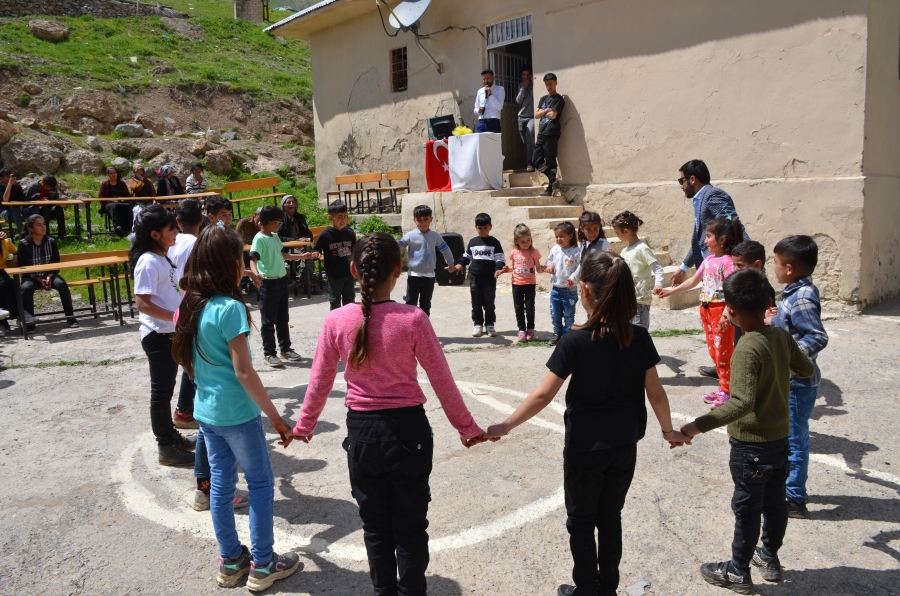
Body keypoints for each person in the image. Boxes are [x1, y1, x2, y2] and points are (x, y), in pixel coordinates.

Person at [291, 232, 488, 596]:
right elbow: (442, 380)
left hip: (363, 435)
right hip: (408, 432)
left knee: (376, 528)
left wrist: (304, 425)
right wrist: (467, 427)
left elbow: (318, 381)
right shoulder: (412, 319)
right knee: (411, 527)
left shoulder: (336, 320)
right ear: (400, 270)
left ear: (352, 270)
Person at [484, 250, 690, 596]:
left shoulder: (575, 341)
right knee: (610, 516)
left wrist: (505, 425)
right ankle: (606, 588)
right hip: (624, 445)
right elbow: (656, 394)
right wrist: (669, 430)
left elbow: (543, 395)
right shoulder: (638, 337)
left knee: (581, 520)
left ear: (584, 291)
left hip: (585, 449)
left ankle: (587, 590)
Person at [171, 225, 300, 591]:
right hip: (239, 416)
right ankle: (262, 564)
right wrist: (275, 417)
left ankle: (231, 560)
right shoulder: (229, 308)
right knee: (259, 485)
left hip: (207, 412)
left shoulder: (189, 304)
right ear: (228, 262)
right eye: (241, 258)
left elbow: (185, 358)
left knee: (221, 486)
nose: (245, 264)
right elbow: (244, 371)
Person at [679, 268, 814, 594]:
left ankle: (738, 570)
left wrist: (694, 427)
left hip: (750, 446)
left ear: (732, 311)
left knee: (747, 506)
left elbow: (740, 403)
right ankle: (769, 556)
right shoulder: (780, 336)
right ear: (769, 303)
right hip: (780, 440)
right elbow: (806, 369)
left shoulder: (747, 348)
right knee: (775, 502)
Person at [131, 205, 196, 468]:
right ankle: (166, 446)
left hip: (170, 332)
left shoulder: (162, 258)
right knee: (161, 393)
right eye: (171, 229)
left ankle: (171, 435)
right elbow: (142, 303)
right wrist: (175, 318)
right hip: (158, 335)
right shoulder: (147, 260)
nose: (176, 233)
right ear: (155, 234)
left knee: (167, 390)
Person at [770, 235, 829, 520]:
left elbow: (816, 336)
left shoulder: (803, 297)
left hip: (797, 383)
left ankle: (794, 498)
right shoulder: (795, 292)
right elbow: (792, 327)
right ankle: (789, 488)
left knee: (795, 441)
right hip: (789, 382)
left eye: (776, 262)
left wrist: (789, 355)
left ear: (790, 268)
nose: (774, 267)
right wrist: (775, 320)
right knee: (790, 438)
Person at [657, 217, 743, 407]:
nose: (705, 241)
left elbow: (732, 290)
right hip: (706, 310)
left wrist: (727, 314)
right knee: (714, 351)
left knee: (723, 353)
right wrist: (671, 290)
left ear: (722, 240)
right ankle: (724, 387)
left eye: (709, 236)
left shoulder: (728, 263)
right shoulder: (709, 260)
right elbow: (694, 281)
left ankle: (728, 391)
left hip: (720, 311)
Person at [249, 205, 317, 368]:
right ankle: (269, 353)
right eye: (278, 222)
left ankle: (285, 349)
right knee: (268, 321)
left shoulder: (274, 236)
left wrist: (302, 256)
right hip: (268, 283)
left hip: (281, 281)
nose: (280, 225)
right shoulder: (259, 239)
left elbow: (282, 255)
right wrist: (255, 273)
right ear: (269, 222)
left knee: (282, 318)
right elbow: (253, 259)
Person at [670, 159, 747, 288]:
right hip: (710, 272)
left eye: (681, 181)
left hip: (722, 272)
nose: (681, 186)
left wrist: (747, 258)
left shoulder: (712, 195)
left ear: (692, 179)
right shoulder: (700, 199)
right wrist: (684, 267)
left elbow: (733, 225)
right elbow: (699, 240)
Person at [169, 198, 203, 431]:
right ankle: (185, 410)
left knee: (189, 359)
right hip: (192, 304)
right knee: (197, 360)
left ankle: (184, 408)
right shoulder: (198, 243)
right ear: (201, 219)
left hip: (173, 306)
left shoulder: (170, 241)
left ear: (178, 221)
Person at [17, 214, 77, 328]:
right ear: (31, 228)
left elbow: (55, 263)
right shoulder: (23, 243)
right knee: (26, 288)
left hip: (49, 274)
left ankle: (70, 318)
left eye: (44, 224)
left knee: (62, 284)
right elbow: (23, 267)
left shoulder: (51, 241)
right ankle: (30, 323)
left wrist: (49, 277)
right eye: (39, 225)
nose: (43, 227)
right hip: (31, 276)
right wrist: (39, 280)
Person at [452, 212, 504, 338]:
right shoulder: (473, 242)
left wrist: (498, 269)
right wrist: (460, 264)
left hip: (489, 278)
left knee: (489, 302)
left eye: (485, 228)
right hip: (475, 277)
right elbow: (467, 257)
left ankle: (490, 324)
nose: (482, 231)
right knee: (476, 302)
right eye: (480, 228)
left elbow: (499, 258)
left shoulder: (494, 243)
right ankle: (477, 324)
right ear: (476, 227)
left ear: (490, 227)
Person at [398, 204, 454, 317]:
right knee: (410, 304)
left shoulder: (435, 236)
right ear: (414, 220)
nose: (422, 223)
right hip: (414, 276)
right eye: (419, 220)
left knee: (425, 304)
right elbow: (398, 247)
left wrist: (451, 263)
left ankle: (424, 329)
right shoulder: (410, 236)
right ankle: (410, 331)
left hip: (429, 277)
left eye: (425, 219)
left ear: (431, 219)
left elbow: (446, 250)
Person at [611, 211, 664, 329]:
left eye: (617, 232)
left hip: (640, 300)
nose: (616, 235)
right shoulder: (625, 250)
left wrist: (658, 284)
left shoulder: (642, 249)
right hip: (628, 298)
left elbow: (658, 268)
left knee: (640, 332)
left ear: (626, 231)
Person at [499, 223, 541, 341]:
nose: (526, 243)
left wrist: (544, 269)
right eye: (522, 241)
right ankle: (521, 329)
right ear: (516, 241)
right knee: (518, 307)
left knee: (529, 307)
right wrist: (507, 270)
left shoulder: (534, 252)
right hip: (517, 284)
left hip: (530, 284)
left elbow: (538, 269)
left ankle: (531, 329)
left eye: (528, 240)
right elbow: (514, 268)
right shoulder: (514, 253)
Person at [543, 221, 581, 346]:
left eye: (561, 236)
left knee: (569, 314)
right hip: (556, 289)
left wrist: (573, 279)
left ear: (570, 236)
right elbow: (549, 260)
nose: (558, 239)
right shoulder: (555, 249)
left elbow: (580, 267)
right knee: (555, 313)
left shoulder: (576, 251)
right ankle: (557, 333)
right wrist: (550, 265)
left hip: (569, 290)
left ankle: (567, 335)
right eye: (557, 236)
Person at [313, 201, 356, 310]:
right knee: (335, 302)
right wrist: (316, 253)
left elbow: (355, 250)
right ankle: (335, 325)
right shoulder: (325, 235)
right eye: (339, 217)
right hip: (334, 275)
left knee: (350, 302)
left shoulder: (350, 233)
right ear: (330, 218)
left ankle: (349, 325)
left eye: (345, 216)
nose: (343, 220)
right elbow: (317, 249)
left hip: (349, 274)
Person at [534, 73, 566, 197]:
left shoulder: (558, 99)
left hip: (551, 133)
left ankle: (550, 187)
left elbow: (553, 115)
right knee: (535, 160)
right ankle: (553, 179)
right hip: (541, 133)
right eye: (547, 84)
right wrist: (546, 111)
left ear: (556, 83)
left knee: (551, 161)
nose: (549, 87)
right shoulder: (543, 99)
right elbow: (536, 115)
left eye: (551, 84)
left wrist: (543, 112)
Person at [571, 211, 610, 282]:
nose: (592, 232)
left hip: (599, 282)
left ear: (599, 227)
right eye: (588, 229)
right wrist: (573, 279)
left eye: (595, 228)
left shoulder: (603, 243)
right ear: (582, 229)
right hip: (586, 281)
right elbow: (581, 264)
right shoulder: (583, 244)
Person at [98, 166, 133, 236]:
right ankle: (117, 226)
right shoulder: (105, 184)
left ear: (117, 173)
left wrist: (123, 199)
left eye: (114, 173)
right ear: (108, 175)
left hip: (121, 202)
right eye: (111, 173)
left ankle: (128, 228)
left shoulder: (122, 184)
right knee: (114, 206)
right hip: (109, 203)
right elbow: (100, 196)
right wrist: (111, 200)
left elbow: (127, 195)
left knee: (127, 206)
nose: (113, 174)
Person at [516, 66, 535, 171]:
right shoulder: (520, 86)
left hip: (531, 117)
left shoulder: (535, 87)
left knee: (529, 134)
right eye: (524, 75)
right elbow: (518, 101)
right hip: (521, 117)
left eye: (528, 75)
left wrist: (533, 84)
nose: (526, 77)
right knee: (525, 141)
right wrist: (523, 87)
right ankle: (529, 161)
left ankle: (530, 162)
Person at [474, 68, 505, 133]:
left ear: (493, 78)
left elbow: (499, 107)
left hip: (493, 122)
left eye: (488, 78)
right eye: (484, 79)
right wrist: (479, 110)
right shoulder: (480, 91)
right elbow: (475, 109)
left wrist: (490, 94)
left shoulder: (500, 89)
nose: (486, 81)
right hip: (481, 123)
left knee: (493, 143)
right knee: (481, 143)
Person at [0, 230, 18, 336]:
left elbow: (16, 251)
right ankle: (2, 323)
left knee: (6, 283)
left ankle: (18, 314)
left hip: (2, 272)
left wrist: (15, 256)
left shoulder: (4, 242)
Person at [0, 167, 25, 232]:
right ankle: (22, 232)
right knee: (15, 209)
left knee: (34, 209)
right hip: (5, 212)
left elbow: (21, 201)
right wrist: (9, 185)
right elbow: (5, 200)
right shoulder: (1, 188)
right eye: (8, 176)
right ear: (1, 178)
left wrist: (21, 212)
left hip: (19, 211)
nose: (10, 178)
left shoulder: (17, 187)